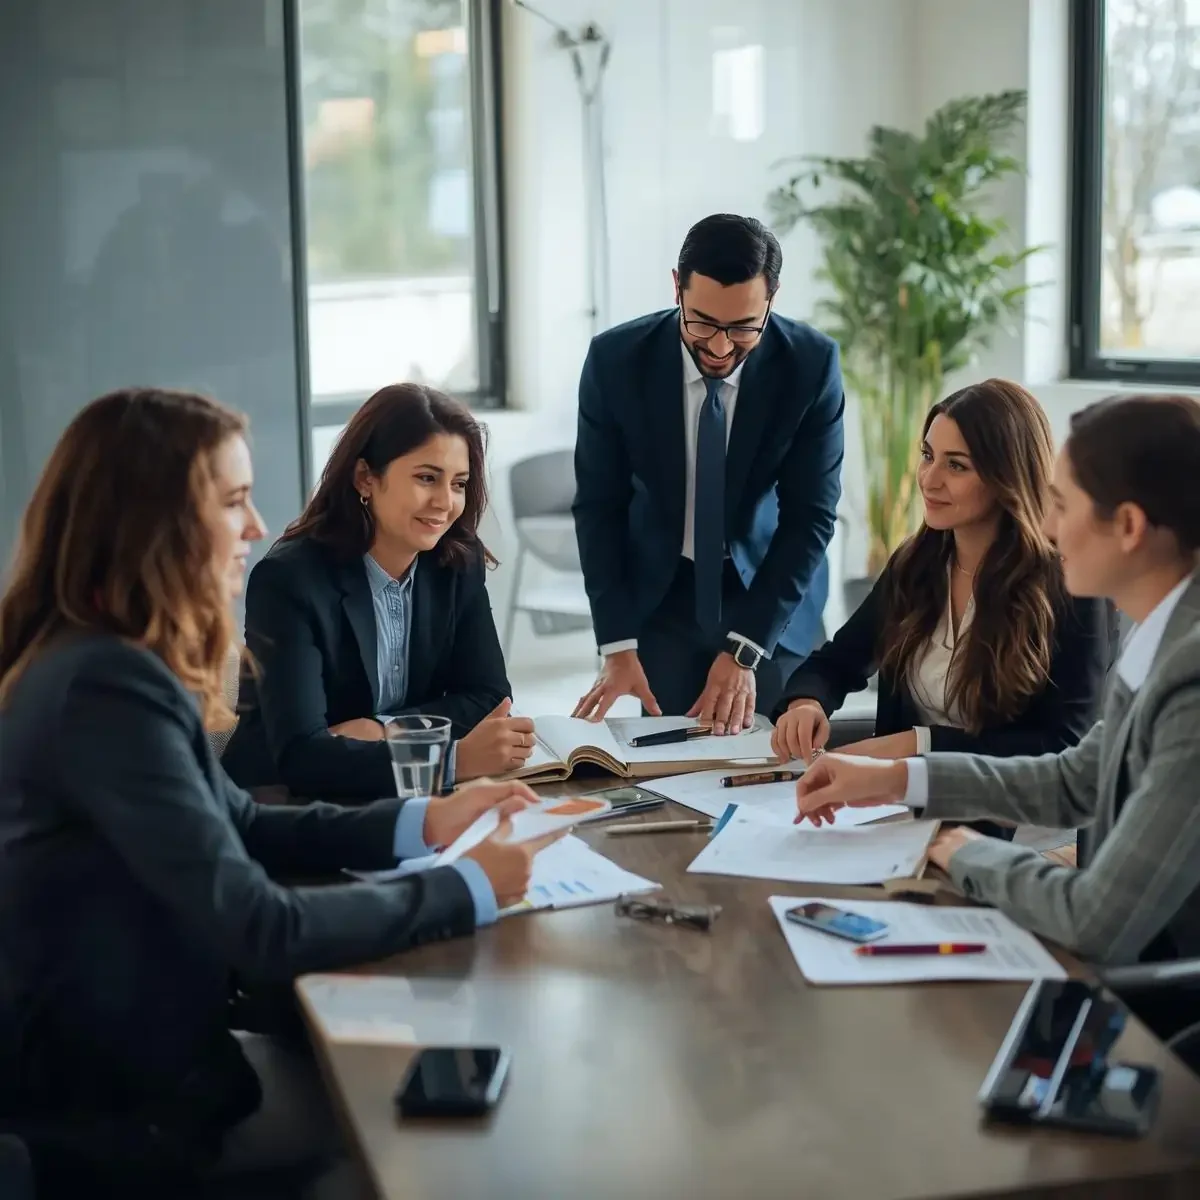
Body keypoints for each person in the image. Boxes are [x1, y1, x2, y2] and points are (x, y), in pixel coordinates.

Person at [0, 388, 554, 1196]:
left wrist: (423, 819)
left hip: (149, 1059)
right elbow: (262, 925)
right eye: (233, 501)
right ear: (153, 520)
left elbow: (246, 821)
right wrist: (466, 885)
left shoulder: (107, 660)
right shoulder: (103, 689)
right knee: (429, 1162)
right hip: (120, 1112)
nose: (257, 526)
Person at [794, 394, 1200, 1031]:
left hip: (1159, 1002)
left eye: (1061, 504)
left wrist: (961, 852)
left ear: (1127, 526)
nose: (1048, 526)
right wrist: (895, 779)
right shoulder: (1162, 639)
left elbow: (1097, 919)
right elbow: (1075, 778)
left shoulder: (1189, 677)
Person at [772, 380, 1116, 838]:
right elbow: (837, 661)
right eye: (928, 455)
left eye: (956, 465)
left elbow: (1063, 745)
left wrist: (919, 745)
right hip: (897, 812)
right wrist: (807, 702)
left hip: (1008, 826)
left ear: (1006, 476)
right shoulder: (916, 565)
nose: (929, 479)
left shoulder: (1072, 585)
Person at [572, 213, 844, 732]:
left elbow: (810, 517)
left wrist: (745, 649)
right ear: (677, 286)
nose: (720, 348)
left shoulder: (811, 366)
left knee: (775, 760)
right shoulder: (615, 361)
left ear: (772, 298)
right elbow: (598, 508)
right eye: (701, 323)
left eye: (743, 327)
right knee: (675, 761)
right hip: (665, 599)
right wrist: (617, 642)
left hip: (771, 596)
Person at [223, 383, 536, 800]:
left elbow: (489, 697)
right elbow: (302, 755)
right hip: (282, 802)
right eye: (427, 478)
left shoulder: (457, 563)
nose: (445, 502)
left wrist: (384, 729)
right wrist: (451, 759)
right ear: (365, 478)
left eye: (459, 483)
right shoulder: (290, 580)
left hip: (397, 795)